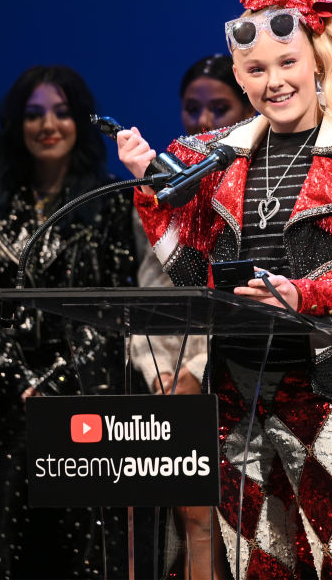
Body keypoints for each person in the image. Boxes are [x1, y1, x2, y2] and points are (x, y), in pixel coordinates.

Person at [116, 0, 332, 580]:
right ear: (240, 76)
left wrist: (304, 296)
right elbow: (195, 274)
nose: (274, 82)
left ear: (317, 60)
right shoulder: (216, 160)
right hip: (240, 392)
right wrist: (154, 191)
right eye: (256, 70)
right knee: (257, 566)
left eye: (287, 63)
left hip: (329, 391)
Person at [0, 65, 149, 579]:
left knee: (98, 550)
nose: (48, 125)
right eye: (34, 114)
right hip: (5, 398)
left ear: (80, 123)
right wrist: (23, 382)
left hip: (88, 395)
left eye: (62, 113)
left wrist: (57, 381)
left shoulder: (108, 203)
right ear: (17, 124)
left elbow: (114, 306)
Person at [127, 54, 256, 579]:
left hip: (228, 353)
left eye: (218, 107)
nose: (203, 121)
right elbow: (149, 284)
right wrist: (159, 369)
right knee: (151, 510)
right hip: (157, 353)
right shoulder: (160, 178)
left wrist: (197, 371)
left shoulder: (259, 178)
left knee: (204, 513)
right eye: (192, 108)